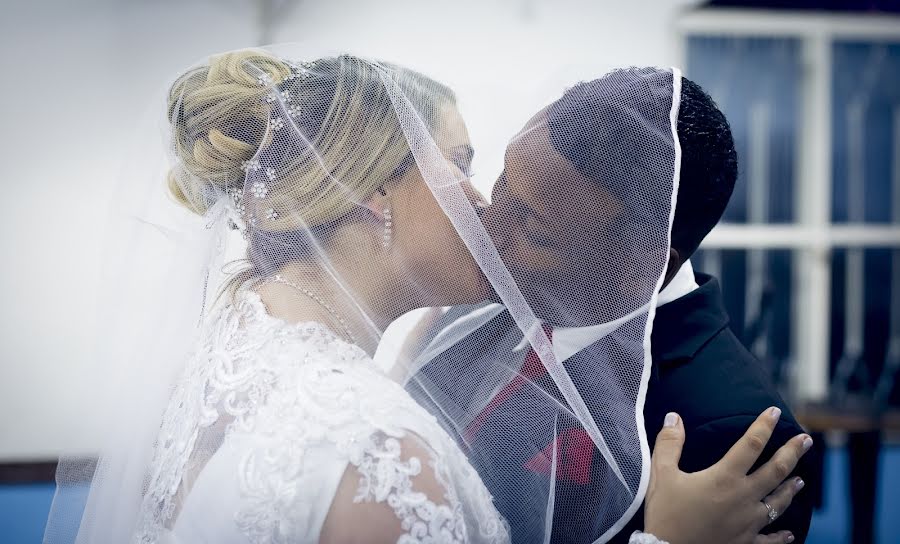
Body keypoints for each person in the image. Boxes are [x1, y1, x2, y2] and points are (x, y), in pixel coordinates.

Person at [44, 50, 808, 544]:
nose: (486, 217)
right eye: (472, 170)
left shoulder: (730, 435)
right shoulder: (401, 387)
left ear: (646, 253)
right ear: (375, 194)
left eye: (533, 224)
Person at [406, 69, 815, 543]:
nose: (488, 234)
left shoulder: (735, 434)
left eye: (533, 232)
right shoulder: (468, 317)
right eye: (501, 197)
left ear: (644, 263)